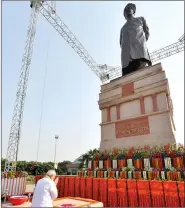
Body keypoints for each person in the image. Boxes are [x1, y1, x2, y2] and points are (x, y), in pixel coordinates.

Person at [120, 3, 152, 76]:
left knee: (144, 75)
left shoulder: (141, 19)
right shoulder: (122, 28)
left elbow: (146, 32)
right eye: (126, 9)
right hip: (127, 61)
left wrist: (140, 42)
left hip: (140, 55)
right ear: (124, 15)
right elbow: (121, 43)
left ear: (133, 11)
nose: (127, 9)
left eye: (129, 8)